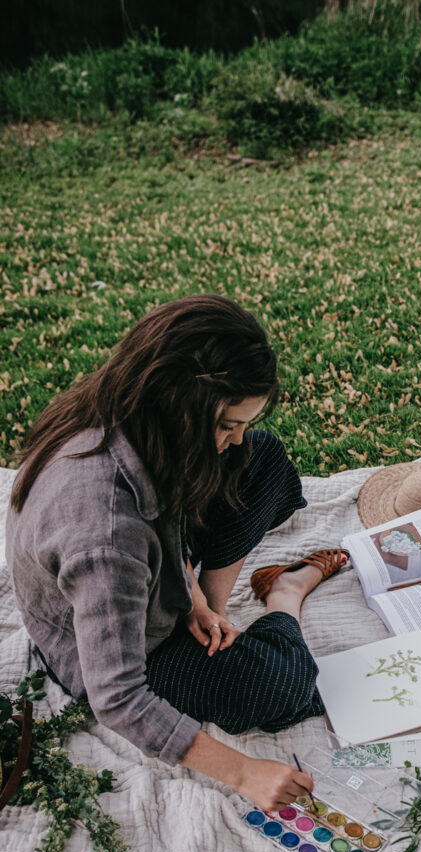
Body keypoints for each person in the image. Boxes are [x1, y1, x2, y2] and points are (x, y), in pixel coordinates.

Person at [5, 294, 348, 813]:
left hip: (158, 577)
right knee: (280, 688)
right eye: (226, 425)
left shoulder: (126, 409)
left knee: (264, 459)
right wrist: (244, 772)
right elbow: (118, 697)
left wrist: (197, 601)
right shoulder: (106, 536)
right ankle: (286, 594)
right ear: (178, 405)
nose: (234, 439)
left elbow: (163, 519)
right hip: (129, 644)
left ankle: (216, 604)